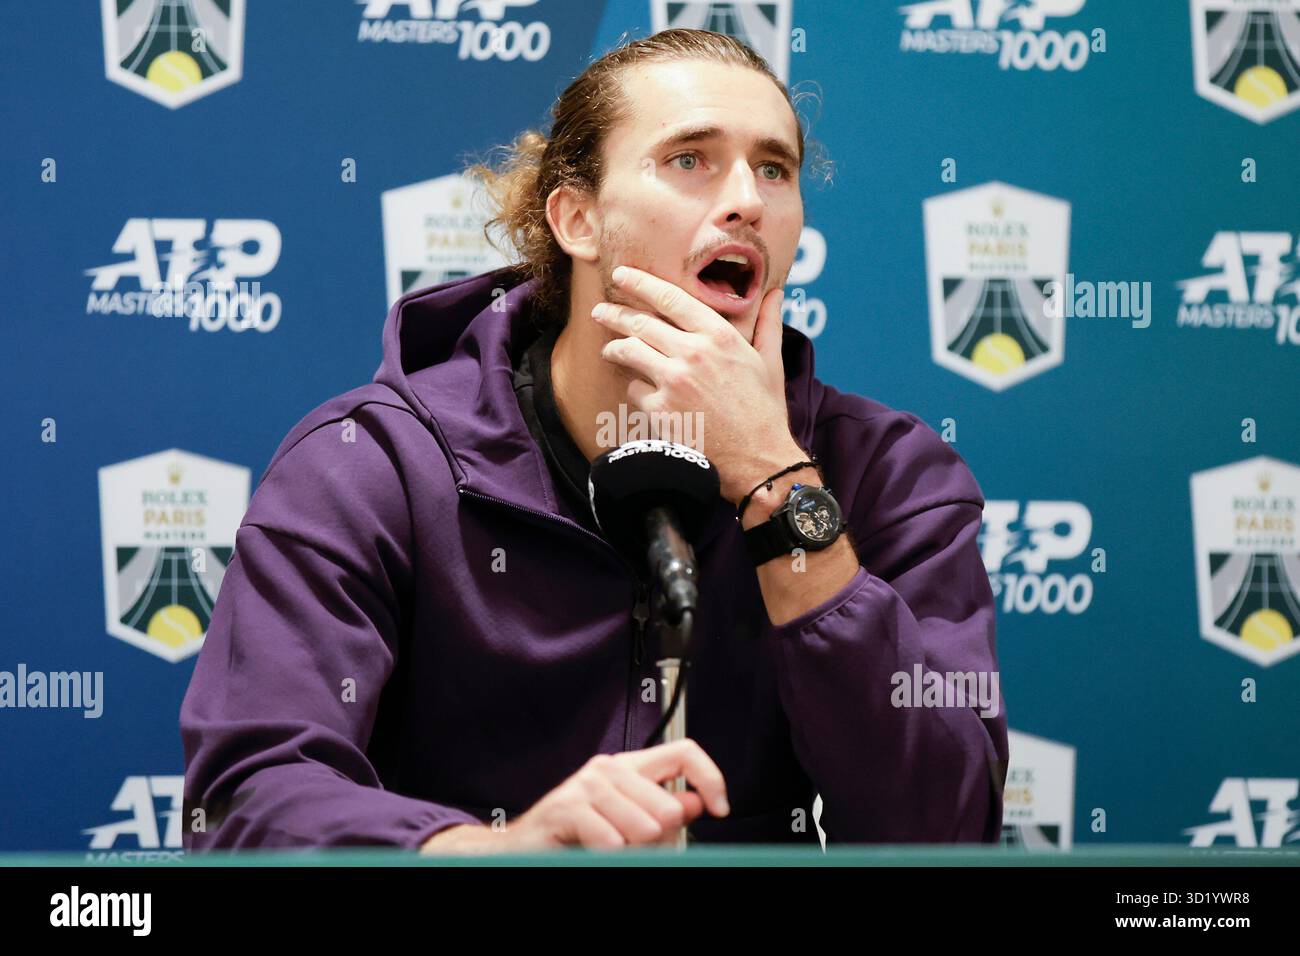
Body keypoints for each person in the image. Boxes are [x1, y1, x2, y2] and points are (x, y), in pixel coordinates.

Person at [180, 28, 1007, 853]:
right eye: (690, 159)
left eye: (774, 169)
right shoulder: (373, 465)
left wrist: (777, 483)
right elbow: (245, 802)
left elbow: (945, 831)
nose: (747, 202)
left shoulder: (889, 476)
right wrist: (503, 852)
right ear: (577, 218)